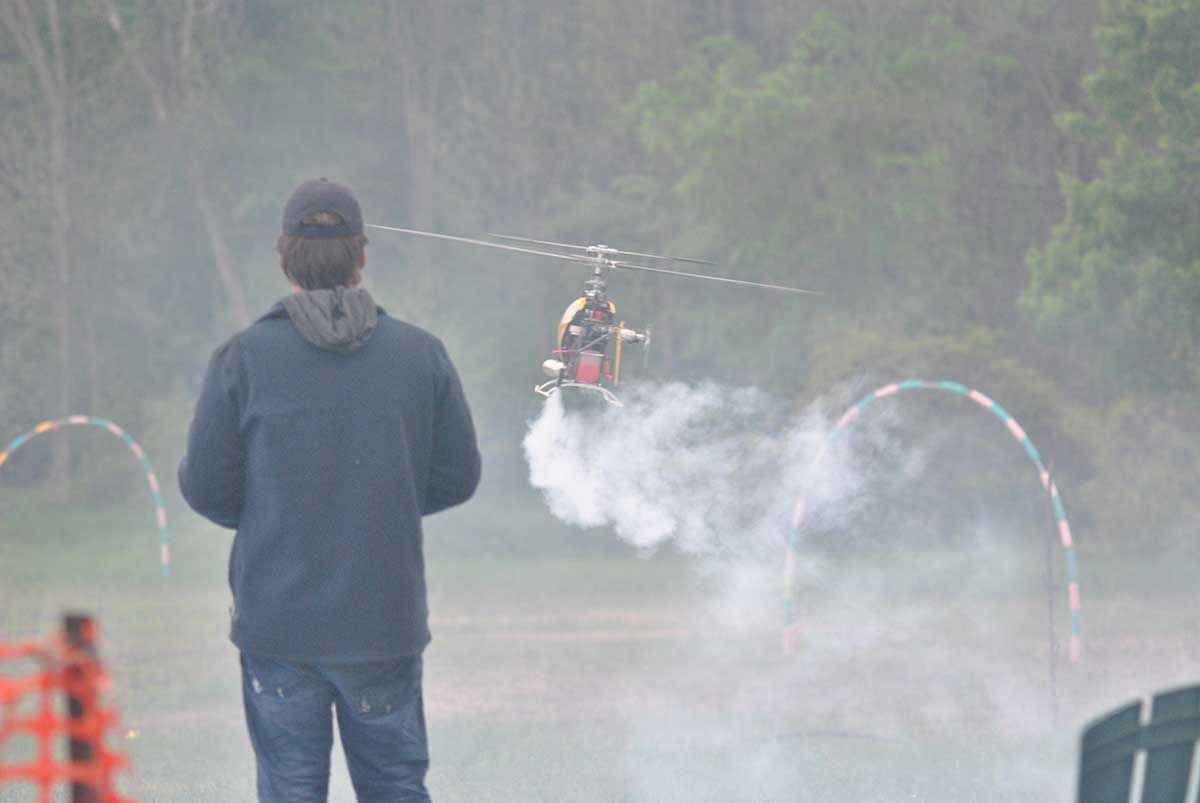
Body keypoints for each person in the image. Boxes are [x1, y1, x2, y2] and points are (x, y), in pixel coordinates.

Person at [179, 177, 481, 802]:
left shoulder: (241, 359)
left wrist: (280, 508)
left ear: (282, 254)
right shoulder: (420, 355)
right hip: (383, 621)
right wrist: (382, 496)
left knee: (289, 790)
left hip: (279, 625)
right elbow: (457, 476)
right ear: (361, 255)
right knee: (396, 787)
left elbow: (207, 488)